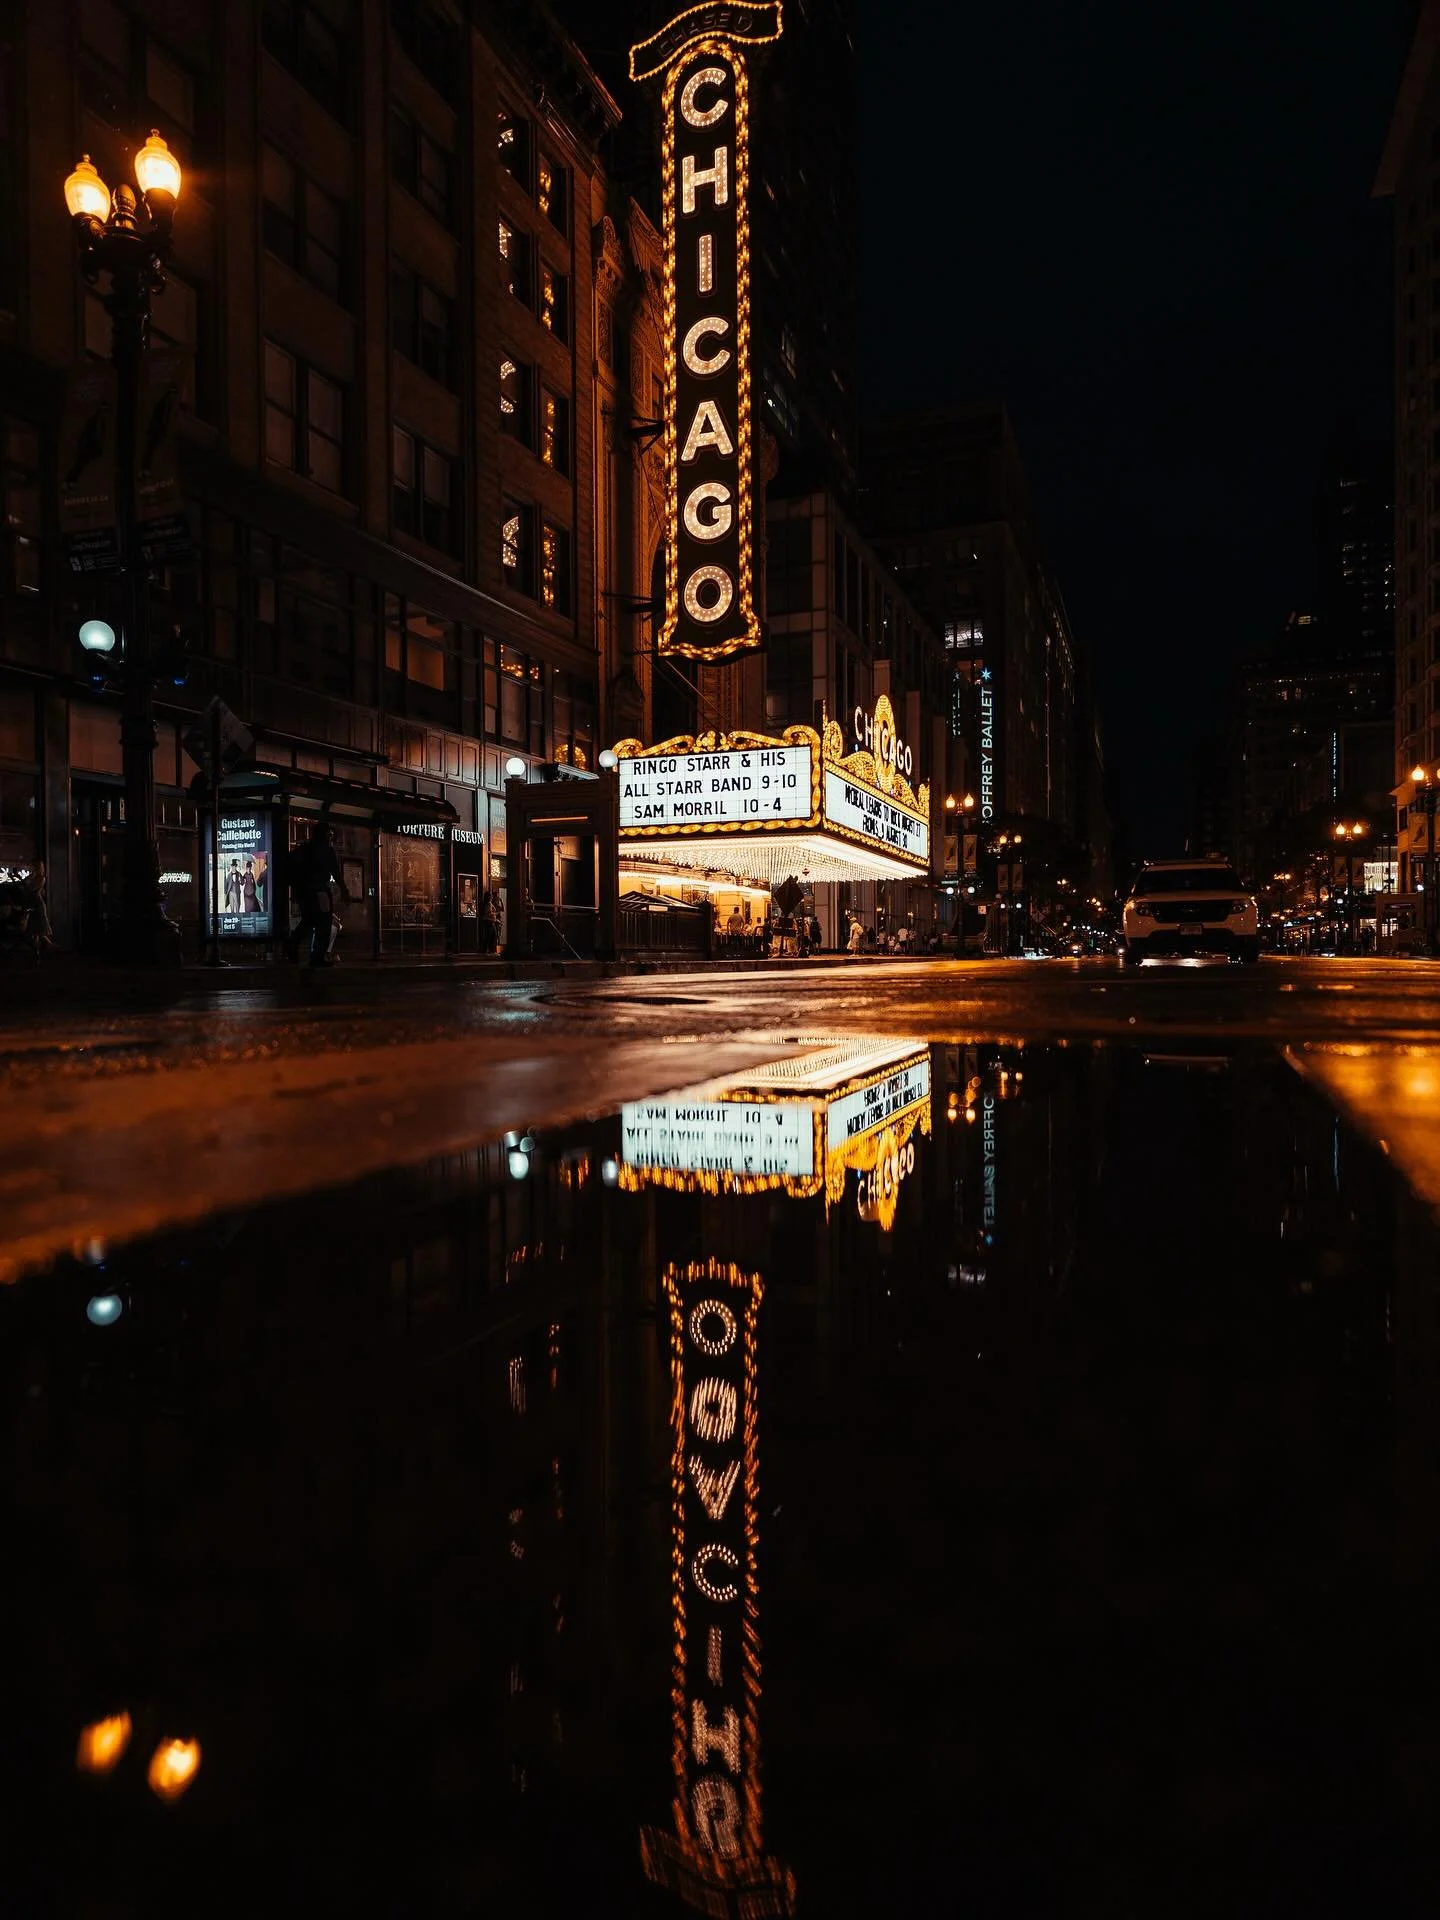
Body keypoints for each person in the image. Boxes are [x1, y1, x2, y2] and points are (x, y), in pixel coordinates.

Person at [286, 819, 346, 967]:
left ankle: (293, 945)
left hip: (304, 892)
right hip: (319, 891)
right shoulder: (326, 851)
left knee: (309, 920)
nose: (331, 837)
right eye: (329, 834)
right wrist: (344, 889)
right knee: (323, 923)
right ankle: (317, 956)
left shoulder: (304, 849)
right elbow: (336, 872)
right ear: (324, 834)